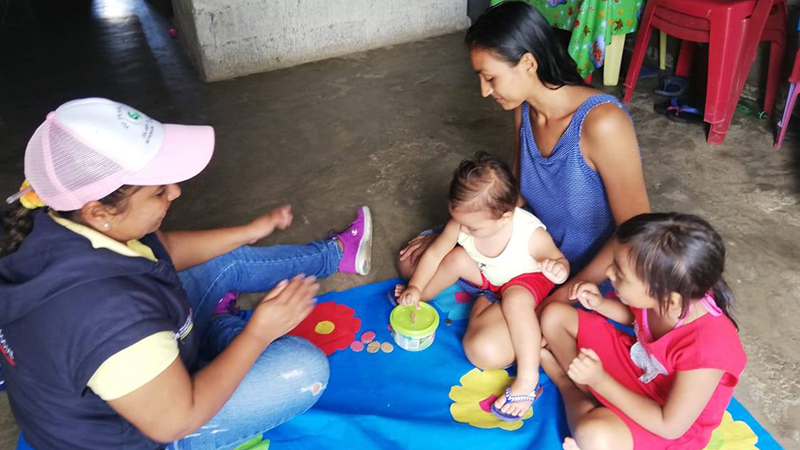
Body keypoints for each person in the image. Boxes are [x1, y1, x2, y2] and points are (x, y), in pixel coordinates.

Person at [0, 98, 373, 450]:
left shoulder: (53, 212)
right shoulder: (108, 315)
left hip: (127, 367)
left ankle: (334, 255)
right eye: (159, 191)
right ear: (100, 212)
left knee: (226, 260)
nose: (175, 192)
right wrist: (259, 332)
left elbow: (167, 250)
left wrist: (250, 232)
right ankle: (222, 330)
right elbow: (176, 420)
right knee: (304, 369)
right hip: (148, 431)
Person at [396, 1, 649, 371]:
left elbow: (636, 230)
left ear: (528, 63)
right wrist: (455, 234)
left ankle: (499, 301)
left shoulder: (603, 123)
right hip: (525, 248)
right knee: (413, 265)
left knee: (487, 350)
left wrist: (567, 291)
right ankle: (502, 298)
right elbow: (516, 192)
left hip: (579, 269)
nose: (485, 91)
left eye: (490, 78)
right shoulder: (525, 109)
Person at [539, 213, 746, 450]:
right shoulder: (671, 293)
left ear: (670, 299)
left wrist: (600, 380)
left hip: (664, 417)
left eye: (620, 274)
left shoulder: (708, 349)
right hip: (640, 369)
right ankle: (593, 399)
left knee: (595, 436)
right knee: (554, 316)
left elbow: (669, 426)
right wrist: (600, 304)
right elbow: (638, 322)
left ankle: (566, 383)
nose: (608, 273)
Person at [395, 152, 568, 420]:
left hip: (526, 281)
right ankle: (422, 299)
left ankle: (527, 379)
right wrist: (416, 287)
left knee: (516, 300)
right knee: (455, 257)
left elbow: (561, 263)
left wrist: (557, 270)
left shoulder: (530, 234)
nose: (463, 230)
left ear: (505, 217)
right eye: (460, 221)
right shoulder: (464, 223)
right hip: (492, 275)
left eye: (472, 228)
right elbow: (436, 253)